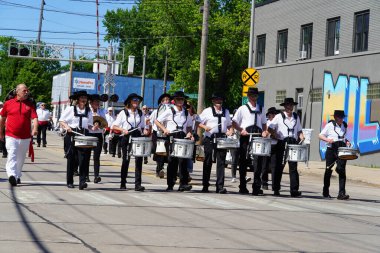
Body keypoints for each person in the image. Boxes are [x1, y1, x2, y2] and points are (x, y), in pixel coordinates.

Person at [155, 91, 194, 192]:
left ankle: (183, 184)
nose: (180, 101)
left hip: (183, 136)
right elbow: (157, 121)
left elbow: (189, 125)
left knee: (183, 161)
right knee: (172, 161)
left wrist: (189, 133)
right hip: (172, 135)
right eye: (178, 99)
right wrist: (164, 129)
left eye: (182, 99)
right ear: (174, 100)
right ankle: (170, 184)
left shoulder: (186, 112)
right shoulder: (169, 110)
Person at [0, 84, 38, 186]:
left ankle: (17, 175)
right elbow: (2, 119)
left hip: (25, 137)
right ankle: (11, 175)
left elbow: (34, 118)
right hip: (11, 135)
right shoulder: (8, 103)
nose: (27, 92)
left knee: (21, 158)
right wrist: (1, 132)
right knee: (12, 154)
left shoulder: (30, 104)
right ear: (18, 92)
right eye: (24, 90)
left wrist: (35, 128)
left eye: (27, 90)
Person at [232, 87, 268, 195]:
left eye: (255, 95)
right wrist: (240, 130)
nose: (254, 97)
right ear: (248, 96)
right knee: (243, 161)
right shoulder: (242, 108)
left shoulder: (261, 108)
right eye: (251, 95)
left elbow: (264, 123)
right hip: (246, 136)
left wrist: (265, 131)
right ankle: (242, 185)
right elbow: (234, 122)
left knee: (258, 162)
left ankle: (256, 186)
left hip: (257, 136)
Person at [59, 90, 96, 190]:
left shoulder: (88, 111)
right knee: (71, 158)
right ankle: (70, 181)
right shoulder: (71, 109)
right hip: (71, 134)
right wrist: (67, 127)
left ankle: (82, 182)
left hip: (83, 135)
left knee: (83, 159)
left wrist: (95, 127)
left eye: (85, 98)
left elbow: (89, 125)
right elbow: (61, 120)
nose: (84, 99)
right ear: (78, 99)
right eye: (82, 98)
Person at [112, 93, 149, 191]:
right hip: (127, 137)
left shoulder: (140, 113)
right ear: (130, 101)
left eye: (137, 100)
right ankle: (123, 182)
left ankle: (138, 184)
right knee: (126, 160)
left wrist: (145, 129)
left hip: (137, 137)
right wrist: (123, 130)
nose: (136, 102)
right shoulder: (123, 113)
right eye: (134, 100)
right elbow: (114, 126)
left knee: (139, 161)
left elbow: (144, 126)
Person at [267, 97, 304, 197]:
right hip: (282, 142)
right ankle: (276, 189)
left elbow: (299, 130)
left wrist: (302, 137)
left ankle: (294, 190)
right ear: (285, 106)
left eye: (291, 105)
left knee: (293, 167)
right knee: (279, 166)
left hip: (293, 142)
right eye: (288, 105)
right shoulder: (279, 116)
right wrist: (275, 135)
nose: (290, 107)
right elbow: (270, 128)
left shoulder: (296, 116)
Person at [198, 93, 233, 193]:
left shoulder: (226, 111)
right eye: (216, 100)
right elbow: (197, 121)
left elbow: (229, 125)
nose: (218, 101)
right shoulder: (207, 111)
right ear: (213, 101)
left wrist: (230, 130)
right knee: (208, 161)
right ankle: (205, 185)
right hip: (209, 138)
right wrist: (205, 127)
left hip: (221, 138)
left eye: (220, 100)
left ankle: (220, 186)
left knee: (221, 162)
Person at [319, 110, 350, 200]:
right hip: (331, 149)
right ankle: (325, 191)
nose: (341, 119)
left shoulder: (344, 125)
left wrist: (347, 141)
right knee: (328, 170)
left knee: (342, 170)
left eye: (342, 117)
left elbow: (344, 137)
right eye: (340, 117)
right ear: (335, 118)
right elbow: (320, 135)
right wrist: (328, 140)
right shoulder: (330, 125)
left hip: (342, 149)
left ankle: (341, 193)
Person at [149, 93, 171, 178]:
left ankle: (171, 171)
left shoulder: (171, 110)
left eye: (168, 100)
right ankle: (159, 169)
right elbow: (151, 121)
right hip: (158, 134)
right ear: (161, 102)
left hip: (168, 134)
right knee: (160, 152)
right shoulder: (156, 111)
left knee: (169, 153)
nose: (167, 101)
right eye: (165, 100)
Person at [88, 94, 107, 183]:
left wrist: (101, 126)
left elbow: (104, 123)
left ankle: (96, 175)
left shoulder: (102, 111)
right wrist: (91, 127)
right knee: (86, 156)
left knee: (96, 157)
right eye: (95, 102)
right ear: (91, 103)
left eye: (98, 102)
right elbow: (85, 123)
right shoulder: (87, 111)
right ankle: (86, 175)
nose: (97, 103)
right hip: (89, 134)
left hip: (98, 135)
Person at [261, 107, 280, 190]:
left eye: (273, 114)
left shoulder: (278, 123)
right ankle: (264, 182)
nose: (272, 115)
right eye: (271, 114)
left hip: (275, 145)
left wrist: (275, 135)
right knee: (264, 165)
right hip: (267, 145)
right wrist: (272, 134)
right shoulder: (267, 123)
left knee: (274, 166)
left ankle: (274, 185)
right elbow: (266, 133)